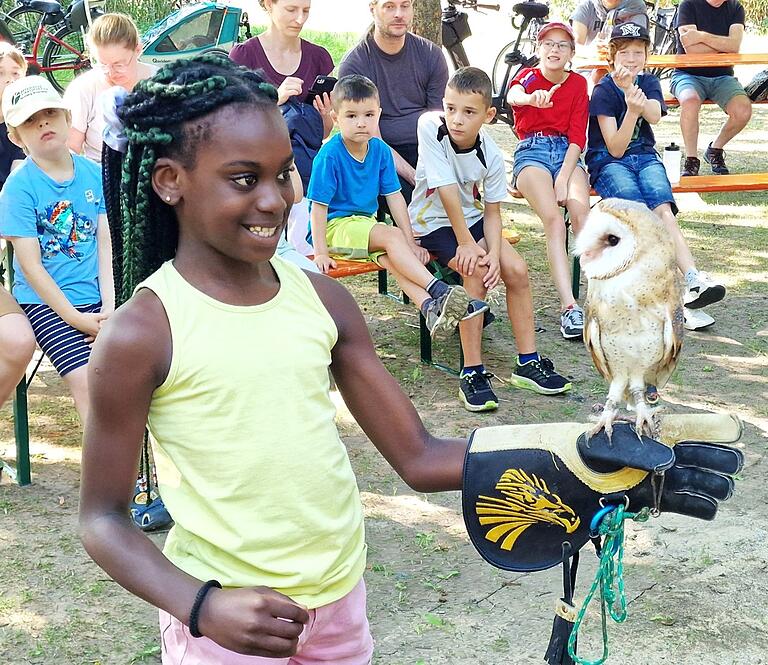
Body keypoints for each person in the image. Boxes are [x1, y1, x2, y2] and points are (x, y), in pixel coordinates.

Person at [78, 55, 744, 664]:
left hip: (339, 602)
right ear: (169, 181)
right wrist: (201, 604)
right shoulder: (143, 332)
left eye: (283, 172)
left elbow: (420, 455)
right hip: (225, 627)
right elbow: (102, 518)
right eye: (243, 178)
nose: (275, 198)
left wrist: (582, 455)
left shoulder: (322, 302)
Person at [412, 66, 572, 412]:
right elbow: (446, 190)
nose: (457, 119)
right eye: (451, 108)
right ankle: (472, 371)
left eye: (468, 112)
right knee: (473, 271)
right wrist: (469, 246)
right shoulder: (430, 126)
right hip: (432, 224)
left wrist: (495, 254)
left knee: (517, 270)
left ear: (488, 115)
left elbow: (492, 213)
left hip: (471, 221)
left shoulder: (492, 153)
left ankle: (527, 362)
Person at [308, 74, 484, 339]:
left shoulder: (379, 150)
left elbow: (395, 197)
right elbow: (318, 207)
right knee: (391, 235)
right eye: (351, 116)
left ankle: (429, 307)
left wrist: (412, 241)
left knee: (396, 256)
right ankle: (440, 290)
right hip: (334, 229)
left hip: (364, 228)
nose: (361, 123)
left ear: (378, 115)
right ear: (336, 118)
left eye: (368, 115)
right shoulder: (330, 154)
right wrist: (320, 252)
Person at [586, 22, 726, 328]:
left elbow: (655, 115)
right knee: (640, 219)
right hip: (609, 161)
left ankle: (691, 280)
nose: (632, 59)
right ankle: (663, 297)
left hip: (646, 157)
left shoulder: (648, 83)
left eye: (639, 52)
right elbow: (616, 147)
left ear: (647, 56)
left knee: (664, 212)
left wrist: (634, 98)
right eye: (625, 53)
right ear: (613, 56)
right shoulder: (603, 90)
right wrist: (631, 109)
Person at [0, 76, 114, 423]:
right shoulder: (18, 190)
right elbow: (31, 268)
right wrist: (76, 318)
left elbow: (107, 246)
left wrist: (111, 308)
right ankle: (105, 476)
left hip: (99, 297)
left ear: (67, 119)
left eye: (50, 113)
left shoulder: (95, 174)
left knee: (127, 380)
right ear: (16, 137)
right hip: (46, 304)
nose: (43, 123)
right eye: (30, 121)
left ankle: (136, 473)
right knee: (88, 384)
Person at [507, 22, 590, 341]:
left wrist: (565, 177)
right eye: (548, 44)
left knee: (582, 213)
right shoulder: (528, 77)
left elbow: (577, 135)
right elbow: (514, 95)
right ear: (538, 48)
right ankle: (570, 307)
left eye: (563, 45)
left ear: (571, 52)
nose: (555, 50)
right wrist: (531, 99)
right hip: (532, 150)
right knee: (555, 222)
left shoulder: (579, 84)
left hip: (567, 154)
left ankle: (599, 296)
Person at [339, 0, 448, 202]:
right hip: (378, 154)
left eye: (405, 5)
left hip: (427, 148)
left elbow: (439, 123)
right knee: (413, 202)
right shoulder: (355, 65)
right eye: (389, 6)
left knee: (458, 199)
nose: (399, 14)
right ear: (373, 9)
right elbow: (369, 135)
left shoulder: (431, 55)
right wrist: (415, 176)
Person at [671, 0, 752, 176]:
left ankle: (715, 149)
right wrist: (724, 46)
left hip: (723, 76)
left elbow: (734, 46)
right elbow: (692, 51)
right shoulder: (688, 5)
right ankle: (692, 159)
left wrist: (701, 36)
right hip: (687, 74)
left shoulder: (735, 7)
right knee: (690, 101)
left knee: (743, 110)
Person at [64, 13, 157, 163]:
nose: (111, 72)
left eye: (119, 64)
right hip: (102, 173)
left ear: (137, 50)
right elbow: (71, 148)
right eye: (102, 64)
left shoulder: (159, 80)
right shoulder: (83, 88)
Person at [0, 43, 36, 409]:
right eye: (2, 75)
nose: (10, 83)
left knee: (16, 339)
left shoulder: (26, 133)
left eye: (16, 75)